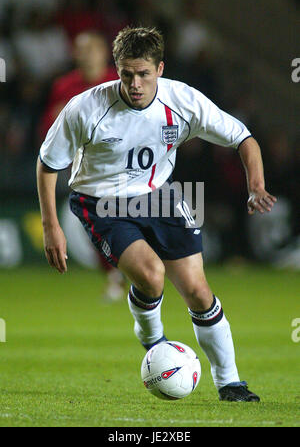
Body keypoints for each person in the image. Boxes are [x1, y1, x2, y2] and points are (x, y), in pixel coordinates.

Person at [37, 26, 277, 402]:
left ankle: (231, 384)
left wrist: (256, 186)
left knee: (199, 292)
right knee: (151, 276)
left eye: (144, 74)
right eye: (127, 74)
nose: (135, 84)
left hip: (161, 196)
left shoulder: (183, 100)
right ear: (116, 69)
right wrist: (51, 226)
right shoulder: (85, 108)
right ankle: (153, 340)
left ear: (160, 69)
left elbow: (243, 138)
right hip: (101, 201)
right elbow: (47, 164)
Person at [38, 30, 126, 301]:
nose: (87, 55)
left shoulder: (118, 80)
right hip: (85, 167)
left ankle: (134, 272)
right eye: (81, 50)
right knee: (95, 224)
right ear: (75, 54)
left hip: (124, 163)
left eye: (92, 49)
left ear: (104, 52)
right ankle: (115, 276)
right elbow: (48, 129)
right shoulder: (64, 86)